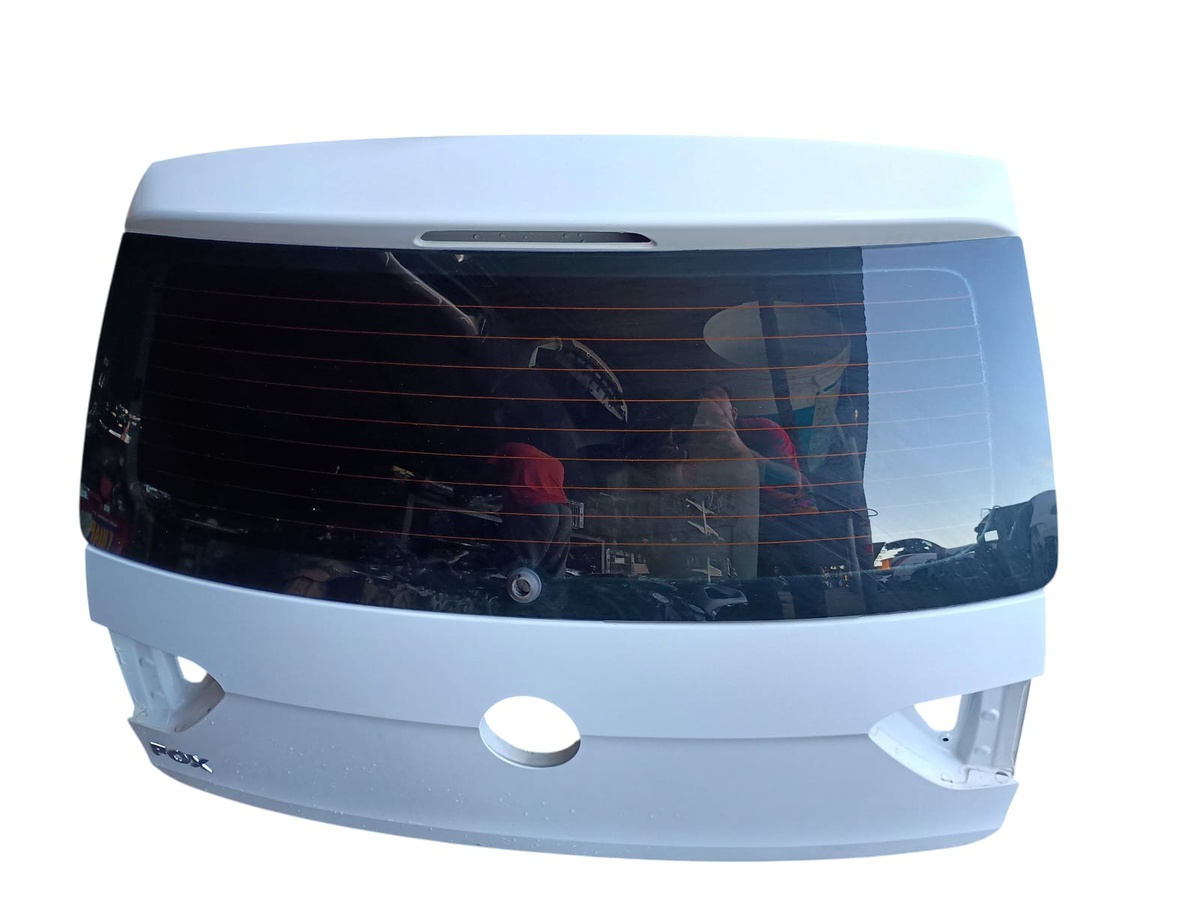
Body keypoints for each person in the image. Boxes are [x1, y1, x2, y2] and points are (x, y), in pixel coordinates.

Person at [486, 442, 573, 577]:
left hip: (541, 510)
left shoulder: (503, 450)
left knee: (521, 570)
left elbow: (489, 479)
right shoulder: (550, 460)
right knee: (553, 572)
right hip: (564, 512)